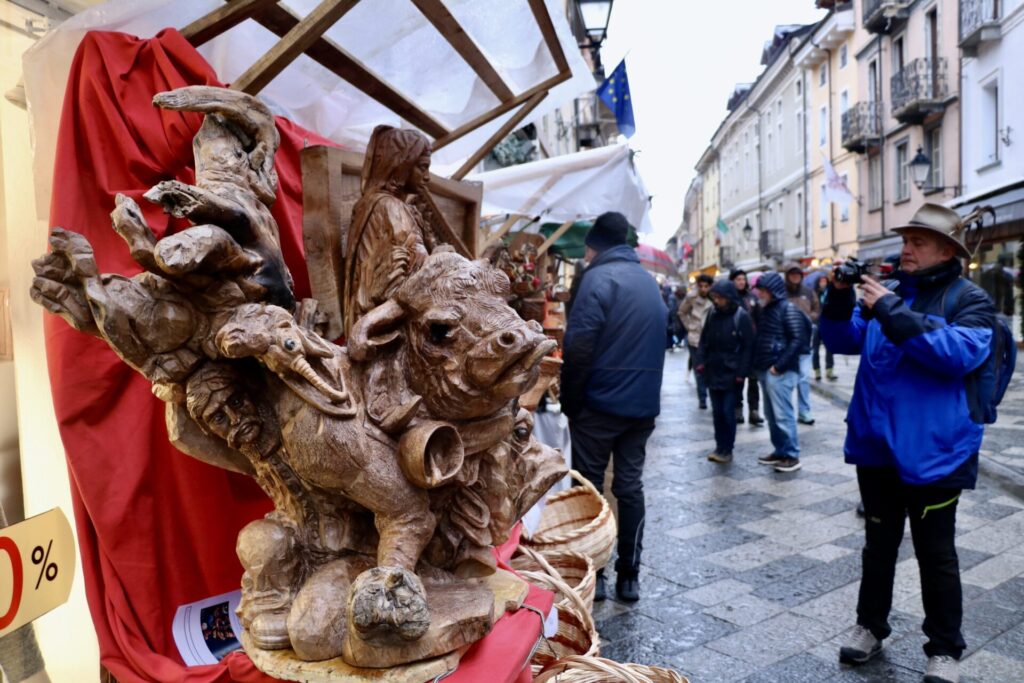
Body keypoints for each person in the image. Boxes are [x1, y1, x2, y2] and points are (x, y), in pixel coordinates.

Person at [820, 203, 997, 683]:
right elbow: (842, 340)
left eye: (918, 242)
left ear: (946, 250)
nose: (906, 249)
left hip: (937, 451)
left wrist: (889, 309)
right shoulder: (889, 295)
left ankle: (945, 649)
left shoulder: (970, 301)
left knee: (936, 554)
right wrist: (838, 299)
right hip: (877, 447)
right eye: (905, 240)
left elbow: (952, 355)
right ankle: (869, 626)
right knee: (878, 545)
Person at [561, 211, 667, 603]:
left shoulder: (597, 278)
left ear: (594, 246)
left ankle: (597, 573)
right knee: (629, 487)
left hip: (600, 403)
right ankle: (630, 576)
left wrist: (571, 401)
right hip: (641, 406)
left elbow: (579, 346)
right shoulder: (647, 282)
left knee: (589, 486)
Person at [344, 125, 434, 335]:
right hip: (384, 328)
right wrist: (441, 257)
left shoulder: (388, 205)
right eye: (422, 167)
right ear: (401, 165)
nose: (428, 177)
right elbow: (408, 274)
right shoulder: (389, 207)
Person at [751, 272, 810, 473]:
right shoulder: (767, 309)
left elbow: (797, 340)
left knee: (783, 414)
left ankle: (791, 455)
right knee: (771, 414)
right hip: (768, 367)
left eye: (763, 290)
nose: (760, 293)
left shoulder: (788, 309)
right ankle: (780, 450)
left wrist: (779, 366)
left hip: (780, 370)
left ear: (771, 290)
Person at [694, 279, 755, 464]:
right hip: (713, 370)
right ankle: (719, 446)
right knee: (717, 412)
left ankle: (727, 448)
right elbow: (704, 341)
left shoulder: (740, 316)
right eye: (716, 297)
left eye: (720, 297)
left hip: (731, 372)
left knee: (728, 413)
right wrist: (700, 361)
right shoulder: (712, 313)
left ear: (728, 298)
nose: (717, 301)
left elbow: (748, 347)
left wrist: (741, 373)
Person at [783, 263, 819, 425]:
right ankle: (786, 411)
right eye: (792, 274)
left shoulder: (808, 292)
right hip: (786, 343)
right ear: (787, 276)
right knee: (788, 379)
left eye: (798, 274)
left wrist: (810, 317)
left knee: (803, 378)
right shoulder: (782, 293)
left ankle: (804, 411)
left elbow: (817, 309)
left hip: (805, 341)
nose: (795, 277)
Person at [728, 269, 763, 426]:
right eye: (738, 279)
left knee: (754, 380)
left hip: (753, 345)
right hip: (736, 345)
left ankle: (754, 410)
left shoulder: (752, 298)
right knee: (738, 379)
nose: (741, 282)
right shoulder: (730, 299)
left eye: (743, 279)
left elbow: (760, 319)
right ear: (732, 281)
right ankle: (737, 409)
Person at [678, 274, 714, 409]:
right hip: (695, 338)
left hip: (711, 339)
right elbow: (681, 312)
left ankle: (711, 395)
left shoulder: (715, 297)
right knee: (699, 369)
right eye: (701, 286)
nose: (704, 289)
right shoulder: (691, 298)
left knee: (711, 369)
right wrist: (690, 326)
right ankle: (703, 398)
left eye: (706, 286)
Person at [811, 275, 837, 381]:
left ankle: (829, 370)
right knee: (815, 349)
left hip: (828, 323)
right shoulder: (814, 293)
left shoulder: (830, 293)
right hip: (817, 324)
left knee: (829, 348)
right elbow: (811, 308)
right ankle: (817, 371)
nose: (823, 283)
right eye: (821, 281)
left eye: (824, 281)